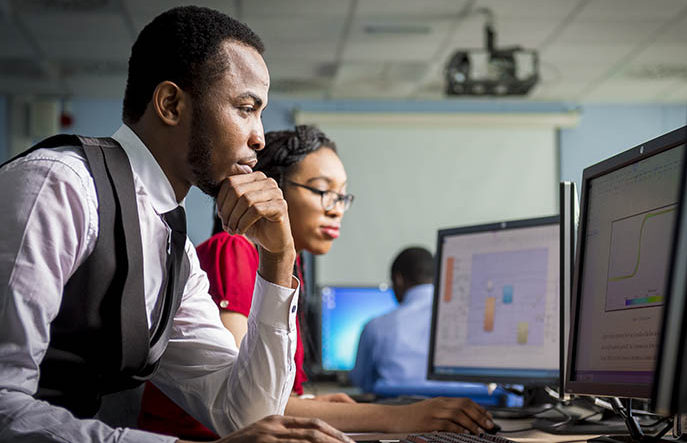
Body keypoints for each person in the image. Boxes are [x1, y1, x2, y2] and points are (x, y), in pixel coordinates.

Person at [0, 6, 355, 443]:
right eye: (246, 108)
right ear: (170, 104)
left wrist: (277, 260)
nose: (260, 137)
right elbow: (3, 406)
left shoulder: (172, 245)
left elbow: (246, 414)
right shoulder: (59, 186)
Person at [139, 126, 497, 437]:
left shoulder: (290, 270)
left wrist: (309, 402)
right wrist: (399, 417)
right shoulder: (232, 250)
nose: (336, 207)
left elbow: (272, 395)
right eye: (323, 190)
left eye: (342, 196)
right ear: (272, 189)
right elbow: (245, 401)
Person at [350, 247, 437, 393]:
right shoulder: (464, 321)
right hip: (464, 411)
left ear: (399, 279)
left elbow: (360, 381)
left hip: (397, 411)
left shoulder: (375, 327)